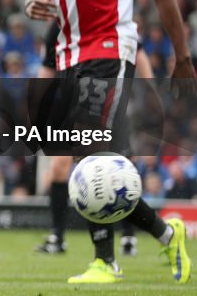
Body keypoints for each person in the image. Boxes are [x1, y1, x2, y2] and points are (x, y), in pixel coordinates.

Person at [24, 0, 195, 285]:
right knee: (96, 157)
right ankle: (164, 232)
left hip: (112, 49)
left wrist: (183, 56)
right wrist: (34, 5)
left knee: (89, 147)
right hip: (67, 54)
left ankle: (105, 261)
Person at [33, 23, 154, 257]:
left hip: (106, 102)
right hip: (69, 107)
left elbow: (137, 52)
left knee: (116, 168)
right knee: (59, 166)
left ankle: (128, 234)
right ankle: (57, 236)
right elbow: (46, 71)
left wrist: (150, 90)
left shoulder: (106, 17)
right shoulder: (55, 30)